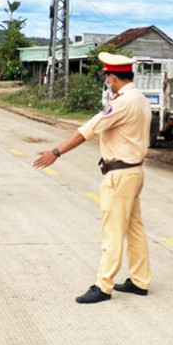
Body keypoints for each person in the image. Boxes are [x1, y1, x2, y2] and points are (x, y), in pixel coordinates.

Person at [33, 52, 152, 304]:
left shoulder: (121, 103)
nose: (107, 82)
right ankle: (140, 280)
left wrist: (56, 152)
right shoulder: (139, 98)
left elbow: (88, 130)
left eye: (107, 77)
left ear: (112, 77)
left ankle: (103, 285)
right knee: (134, 228)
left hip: (119, 175)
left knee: (112, 230)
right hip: (134, 171)